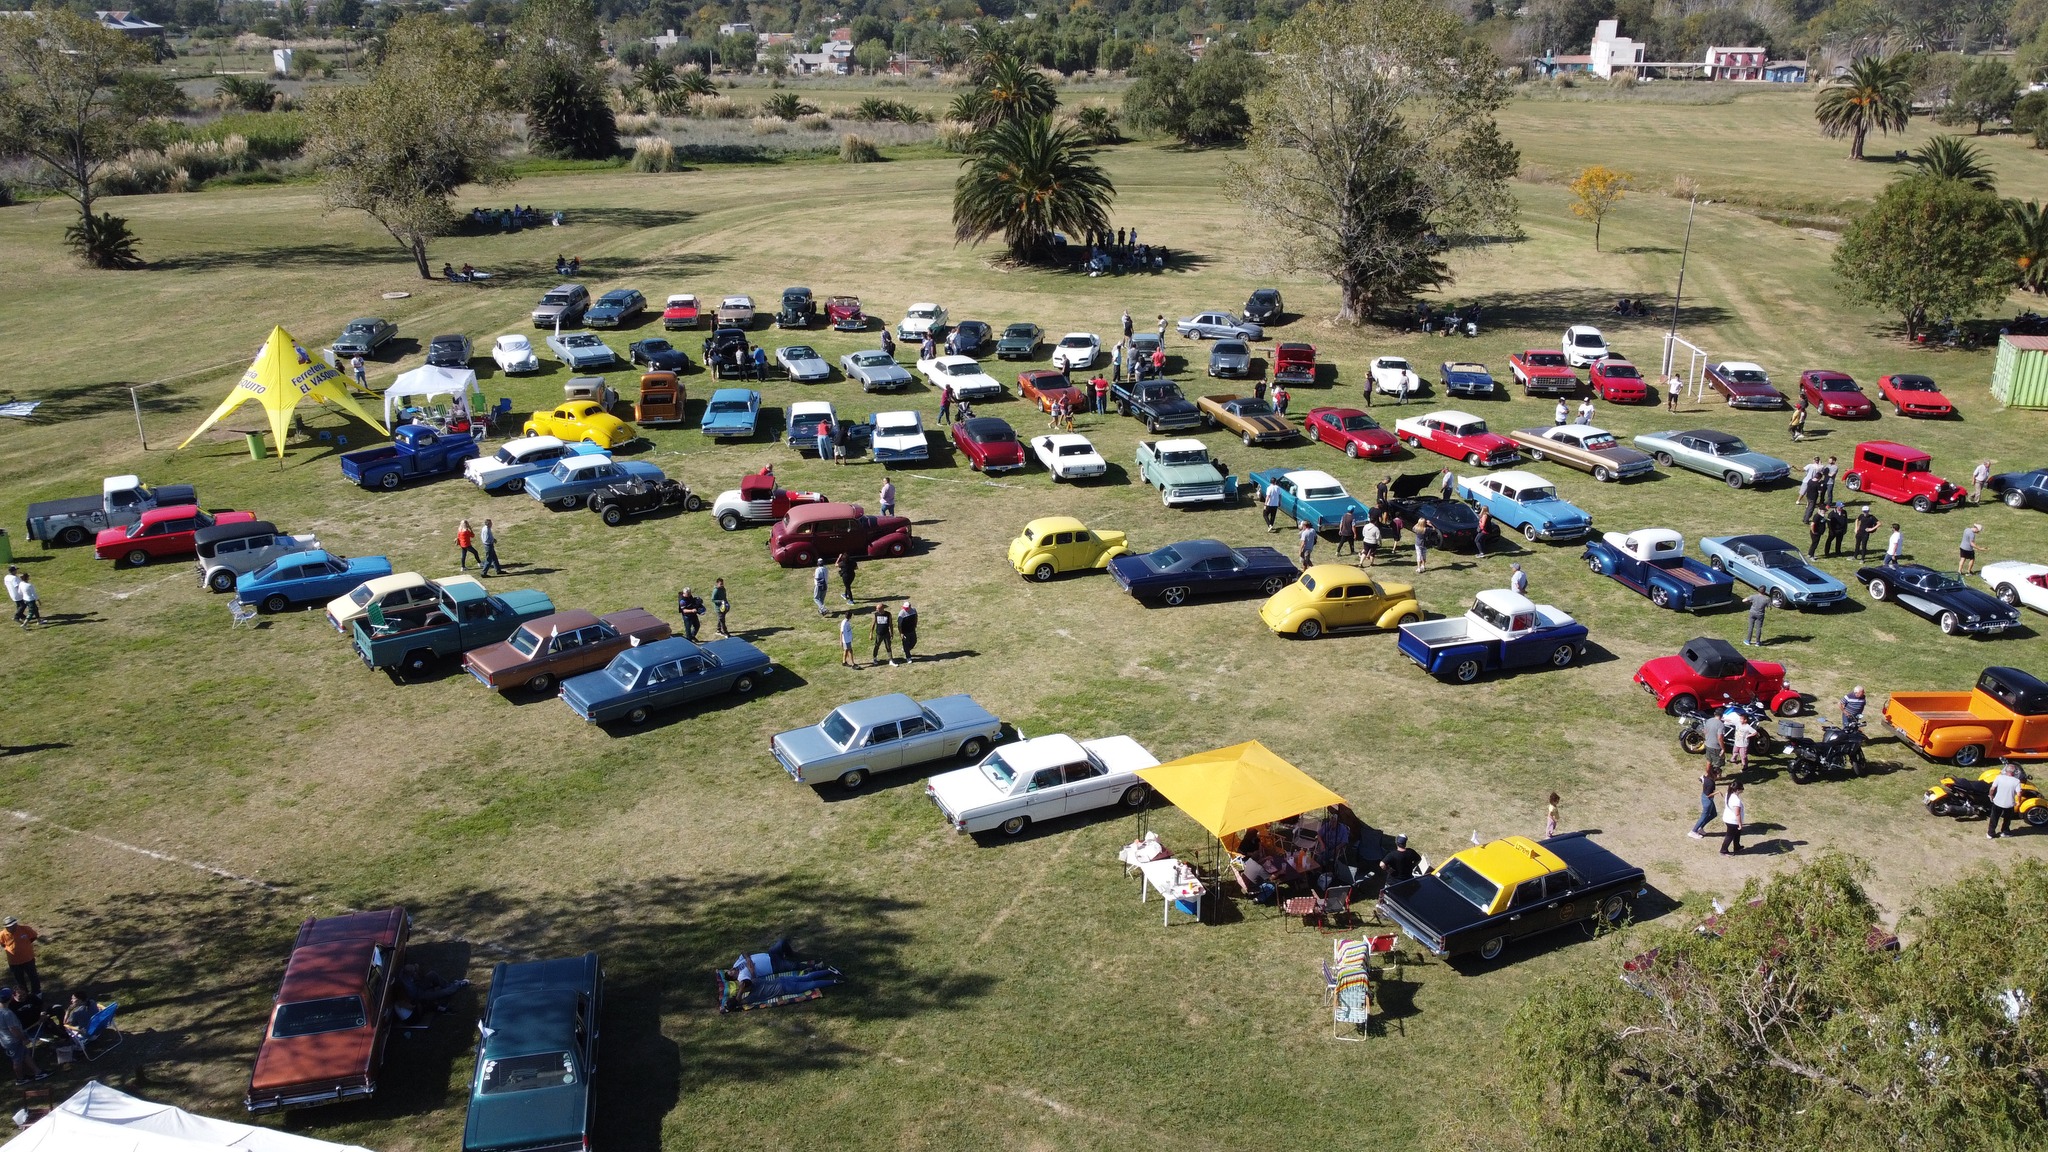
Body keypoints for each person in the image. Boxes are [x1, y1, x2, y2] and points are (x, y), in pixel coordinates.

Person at [0, 989, 46, 1084]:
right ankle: (20, 1079)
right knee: (17, 1060)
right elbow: (13, 1029)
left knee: (25, 1055)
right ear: (10, 998)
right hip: (13, 1040)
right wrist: (24, 1039)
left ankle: (38, 1072)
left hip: (6, 1040)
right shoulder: (7, 1013)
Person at [1, 919, 37, 997]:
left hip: (28, 959)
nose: (11, 927)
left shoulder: (25, 929)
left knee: (33, 977)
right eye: (8, 927)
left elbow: (33, 937)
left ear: (16, 924)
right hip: (14, 962)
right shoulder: (2, 934)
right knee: (19, 980)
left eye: (13, 925)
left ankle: (37, 992)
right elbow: (2, 944)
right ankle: (24, 994)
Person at [1988, 762, 2024, 838]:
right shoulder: (2016, 781)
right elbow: (2019, 793)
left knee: (1994, 818)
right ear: (2014, 772)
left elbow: (1992, 788)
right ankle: (2005, 832)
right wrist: (2018, 802)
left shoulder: (1999, 777)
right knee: (2007, 819)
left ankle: (1990, 833)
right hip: (2009, 803)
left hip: (1997, 801)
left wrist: (1991, 795)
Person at [1690, 763, 1721, 839]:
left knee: (1714, 814)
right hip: (1707, 800)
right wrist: (1718, 792)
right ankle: (1693, 831)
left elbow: (1701, 779)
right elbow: (1708, 795)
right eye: (1719, 774)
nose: (1720, 776)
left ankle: (1700, 828)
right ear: (1715, 774)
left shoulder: (1706, 777)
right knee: (1704, 817)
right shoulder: (1711, 783)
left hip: (1706, 798)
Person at [1719, 782, 1746, 855]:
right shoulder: (1736, 800)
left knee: (1737, 833)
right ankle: (1723, 850)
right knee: (1730, 836)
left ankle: (1737, 846)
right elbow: (1737, 814)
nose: (1742, 790)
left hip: (1728, 817)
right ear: (1737, 790)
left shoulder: (1728, 794)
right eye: (1741, 789)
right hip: (1733, 821)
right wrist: (1740, 824)